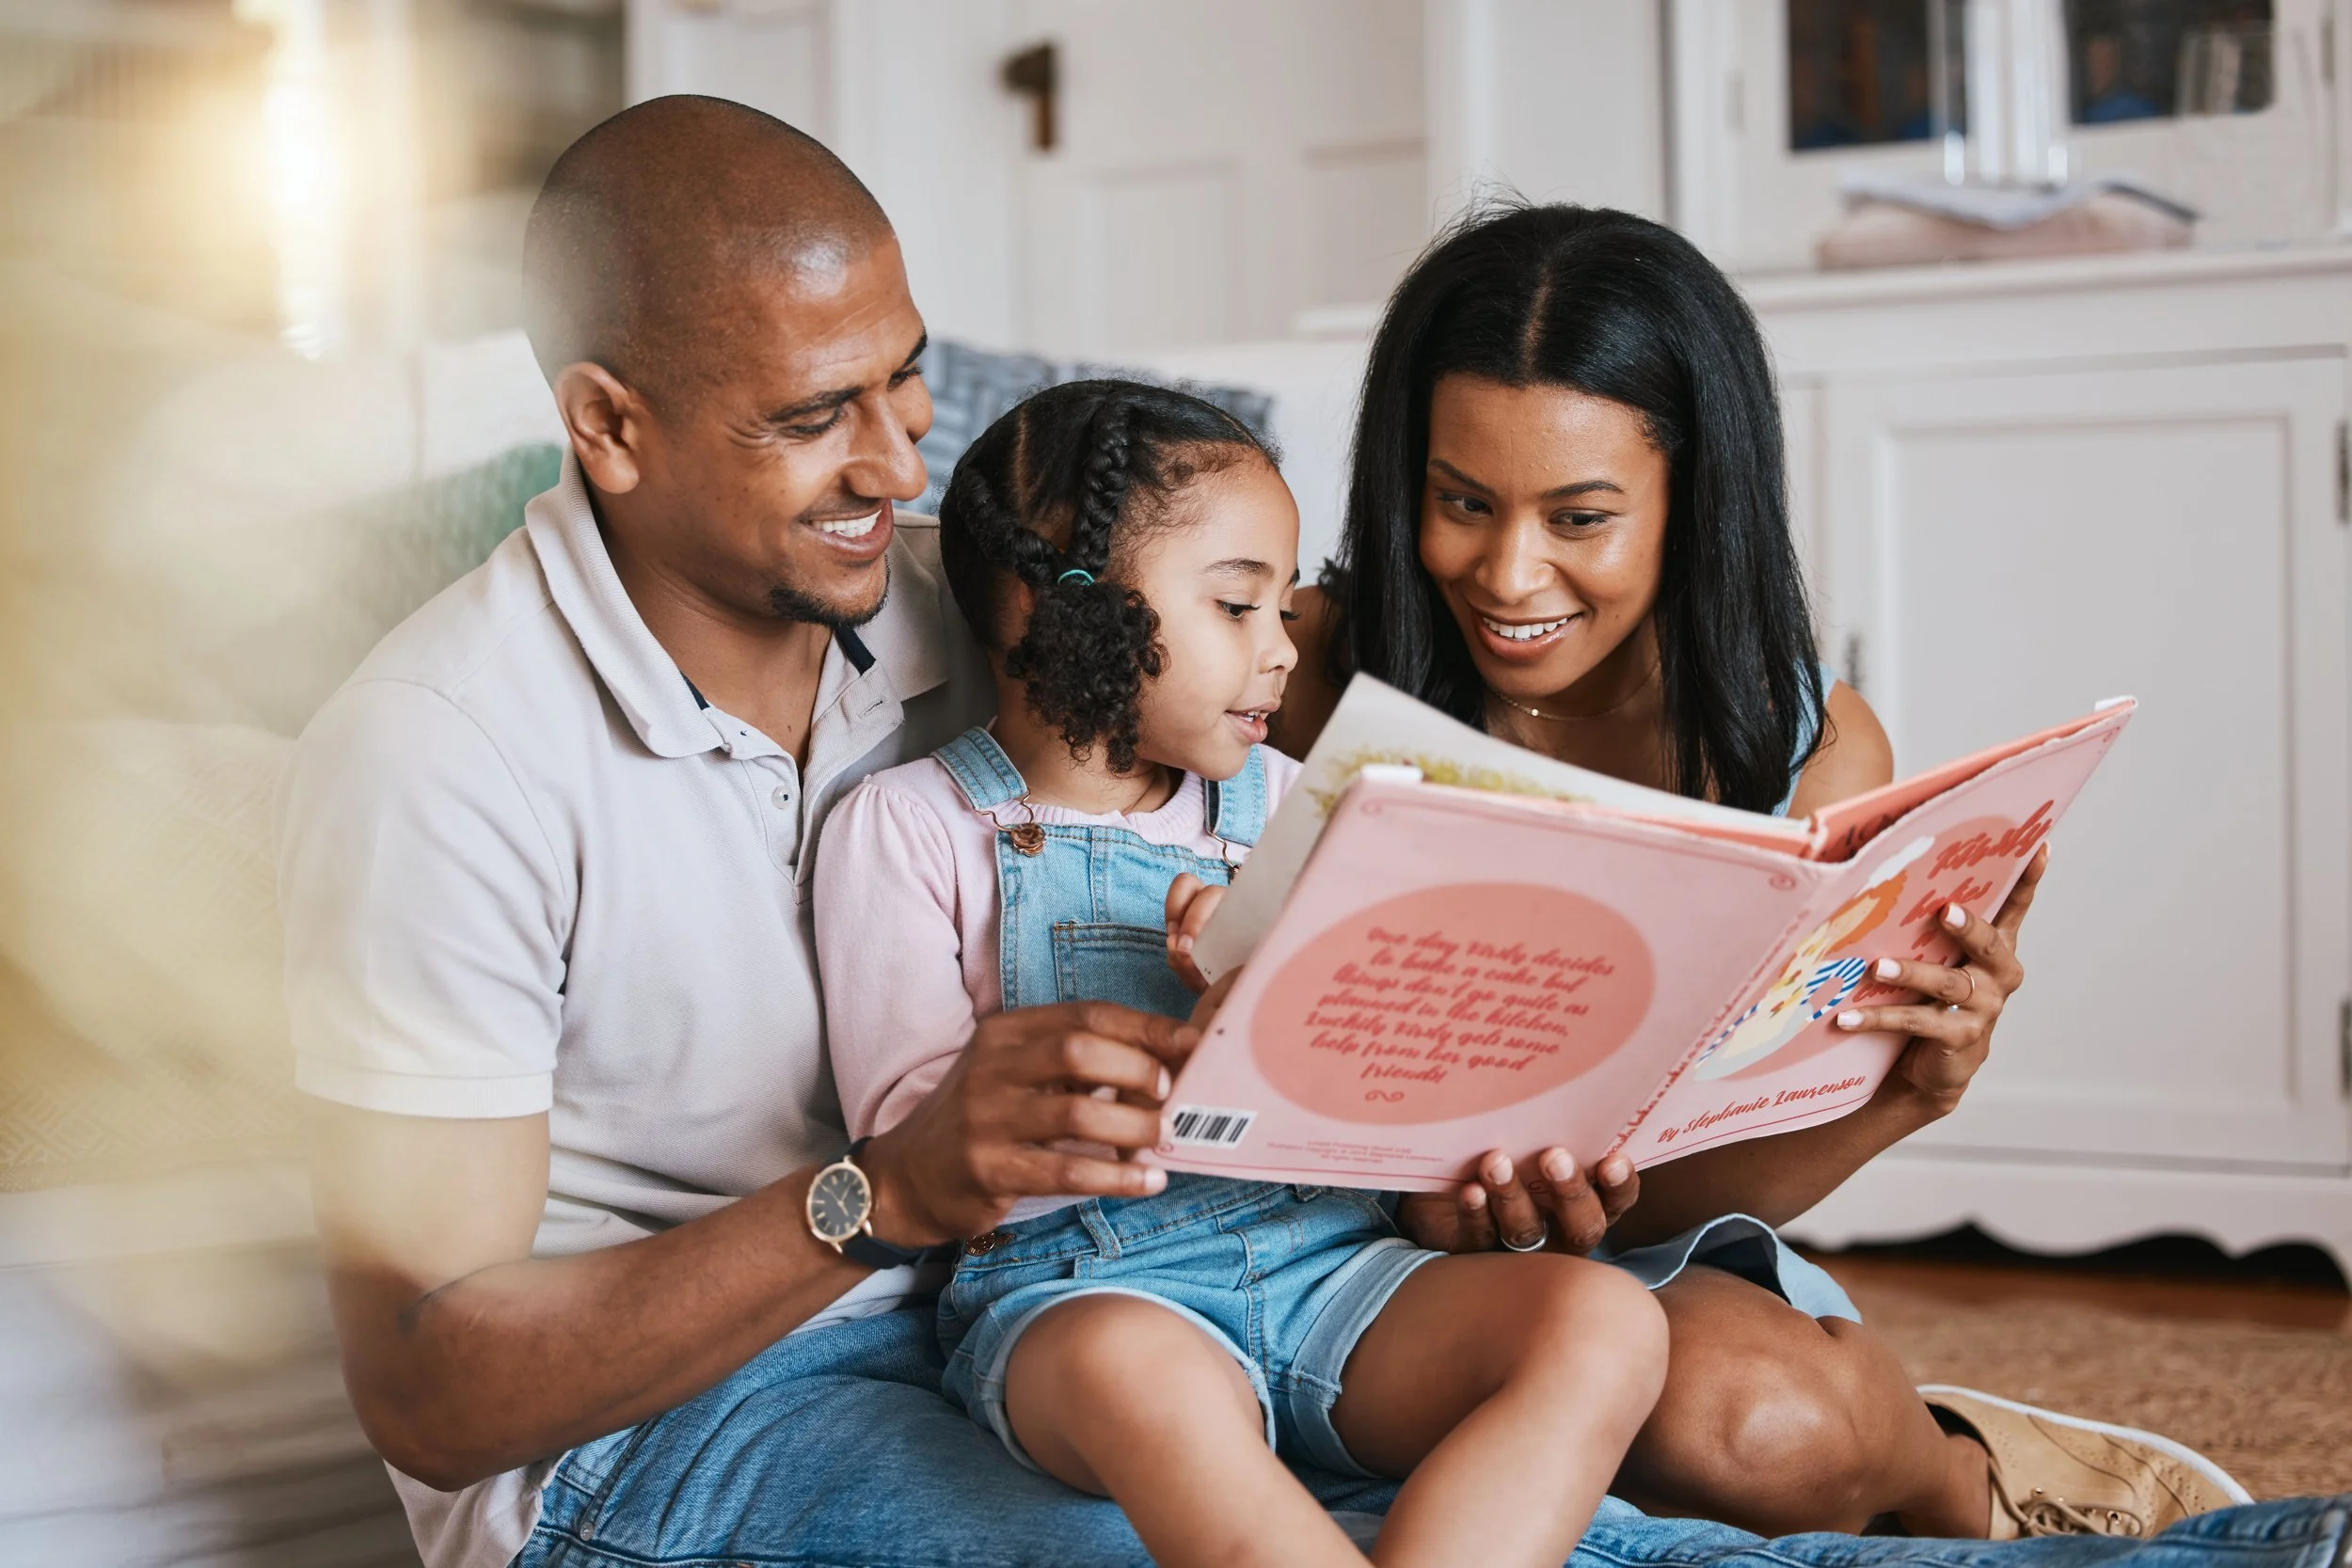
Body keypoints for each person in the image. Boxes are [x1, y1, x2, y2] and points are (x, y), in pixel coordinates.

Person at [280, 94, 2352, 1568]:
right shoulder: (444, 755)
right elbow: (434, 1391)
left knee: (1537, 1453)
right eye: (819, 417)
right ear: (609, 422)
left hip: (1140, 1290)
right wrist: (879, 1192)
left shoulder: (932, 604)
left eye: (909, 392)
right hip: (688, 1433)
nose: (893, 467)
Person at [1274, 200, 2249, 1542]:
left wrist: (1905, 1093)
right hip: (1291, 1247)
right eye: (1460, 502)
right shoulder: (1287, 660)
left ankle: (1975, 1480)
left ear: (1695, 496)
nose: (1506, 572)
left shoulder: (1808, 751)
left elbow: (1699, 1174)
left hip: (1604, 1259)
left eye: (1582, 515)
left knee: (1757, 1424)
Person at [817, 378, 1668, 1568]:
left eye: (1281, 604)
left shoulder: (1290, 802)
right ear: (1045, 605)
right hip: (1080, 1292)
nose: (1282, 649)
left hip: (1338, 1265)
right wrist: (1210, 1041)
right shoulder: (913, 826)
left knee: (1605, 1321)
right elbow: (925, 1159)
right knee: (1140, 1376)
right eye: (1235, 604)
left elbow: (1385, 1095)